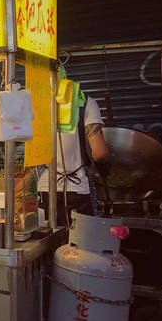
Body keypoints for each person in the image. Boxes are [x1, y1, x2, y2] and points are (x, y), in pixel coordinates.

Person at [38, 95, 110, 225]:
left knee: (50, 241)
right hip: (77, 190)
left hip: (44, 190)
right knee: (81, 242)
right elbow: (100, 154)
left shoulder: (35, 101)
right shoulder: (84, 101)